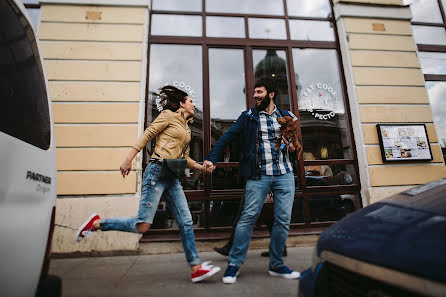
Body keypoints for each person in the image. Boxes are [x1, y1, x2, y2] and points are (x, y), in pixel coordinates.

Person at [75, 85, 220, 283]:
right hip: (157, 172)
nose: (194, 104)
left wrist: (201, 166)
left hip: (172, 177)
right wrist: (129, 159)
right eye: (191, 101)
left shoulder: (186, 127)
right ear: (182, 104)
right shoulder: (168, 115)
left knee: (186, 222)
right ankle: (97, 224)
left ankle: (195, 267)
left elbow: (184, 157)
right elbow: (148, 134)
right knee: (142, 225)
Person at [203, 76, 301, 284]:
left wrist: (290, 145)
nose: (255, 96)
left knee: (283, 220)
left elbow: (294, 148)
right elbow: (226, 138)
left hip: (284, 174)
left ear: (271, 95)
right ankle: (234, 264)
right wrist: (212, 159)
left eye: (259, 92)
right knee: (247, 218)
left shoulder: (286, 117)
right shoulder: (247, 117)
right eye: (254, 93)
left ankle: (276, 264)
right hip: (259, 175)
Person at [213, 191, 288, 258]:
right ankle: (280, 248)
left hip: (257, 184)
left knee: (243, 216)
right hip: (259, 184)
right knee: (269, 218)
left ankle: (230, 247)